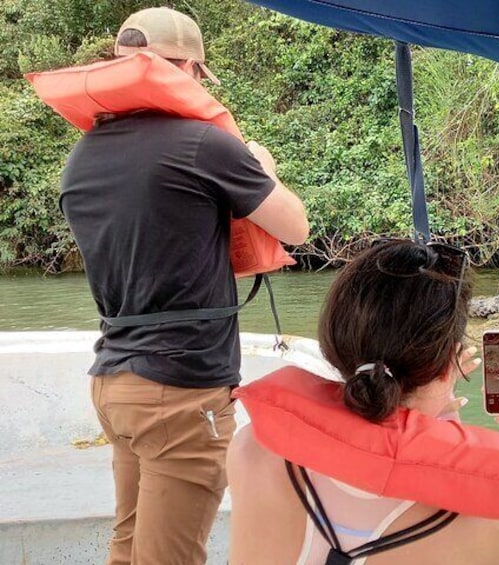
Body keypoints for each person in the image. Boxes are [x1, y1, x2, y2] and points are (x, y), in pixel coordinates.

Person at [58, 7, 309, 565]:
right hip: (182, 390)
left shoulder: (84, 155)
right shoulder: (203, 144)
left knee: (127, 548)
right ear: (190, 69)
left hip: (115, 382)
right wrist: (262, 167)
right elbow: (295, 226)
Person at [227, 240, 499, 564]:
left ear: (337, 343)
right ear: (447, 367)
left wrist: (438, 409)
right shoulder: (478, 519)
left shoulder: (251, 449)